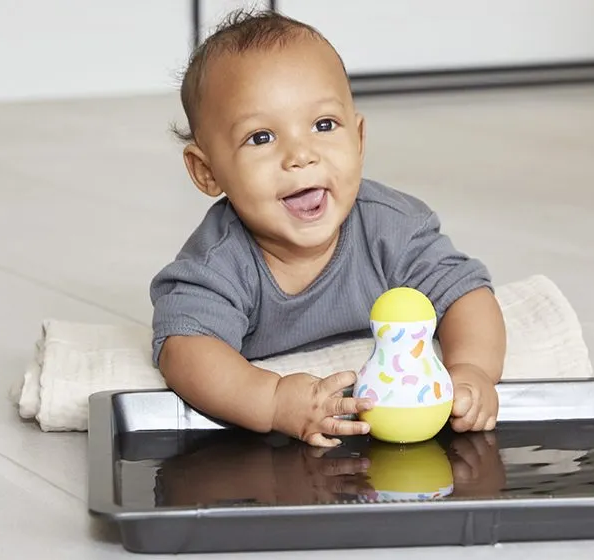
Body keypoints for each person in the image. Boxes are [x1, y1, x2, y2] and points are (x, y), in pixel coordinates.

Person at [150, 9, 506, 447]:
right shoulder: (221, 261)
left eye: (323, 125)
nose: (301, 155)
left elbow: (466, 295)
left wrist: (472, 370)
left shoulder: (391, 228)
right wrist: (272, 399)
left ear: (358, 140)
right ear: (207, 172)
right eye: (261, 137)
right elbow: (184, 350)